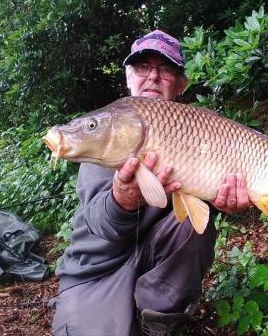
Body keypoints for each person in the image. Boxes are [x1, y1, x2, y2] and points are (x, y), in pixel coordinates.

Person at [51, 30, 251, 336]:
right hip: (98, 271)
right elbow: (100, 224)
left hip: (157, 263)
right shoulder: (109, 130)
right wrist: (122, 198)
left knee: (193, 226)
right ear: (129, 78)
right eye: (143, 67)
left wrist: (227, 204)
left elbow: (205, 203)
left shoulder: (199, 129)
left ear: (181, 84)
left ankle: (156, 324)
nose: (153, 77)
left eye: (166, 69)